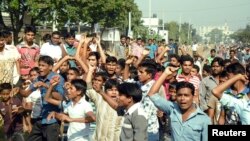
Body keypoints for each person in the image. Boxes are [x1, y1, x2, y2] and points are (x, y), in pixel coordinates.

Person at [148, 66, 211, 141]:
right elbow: (152, 94)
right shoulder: (172, 109)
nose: (182, 99)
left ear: (193, 96)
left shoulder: (204, 119)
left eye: (186, 95)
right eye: (179, 95)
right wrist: (165, 73)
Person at [20, 55, 65, 141]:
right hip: (40, 118)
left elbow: (60, 97)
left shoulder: (58, 78)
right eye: (39, 65)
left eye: (43, 65)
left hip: (52, 120)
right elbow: (26, 94)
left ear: (50, 67)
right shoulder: (38, 78)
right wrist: (19, 88)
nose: (40, 68)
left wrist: (46, 86)